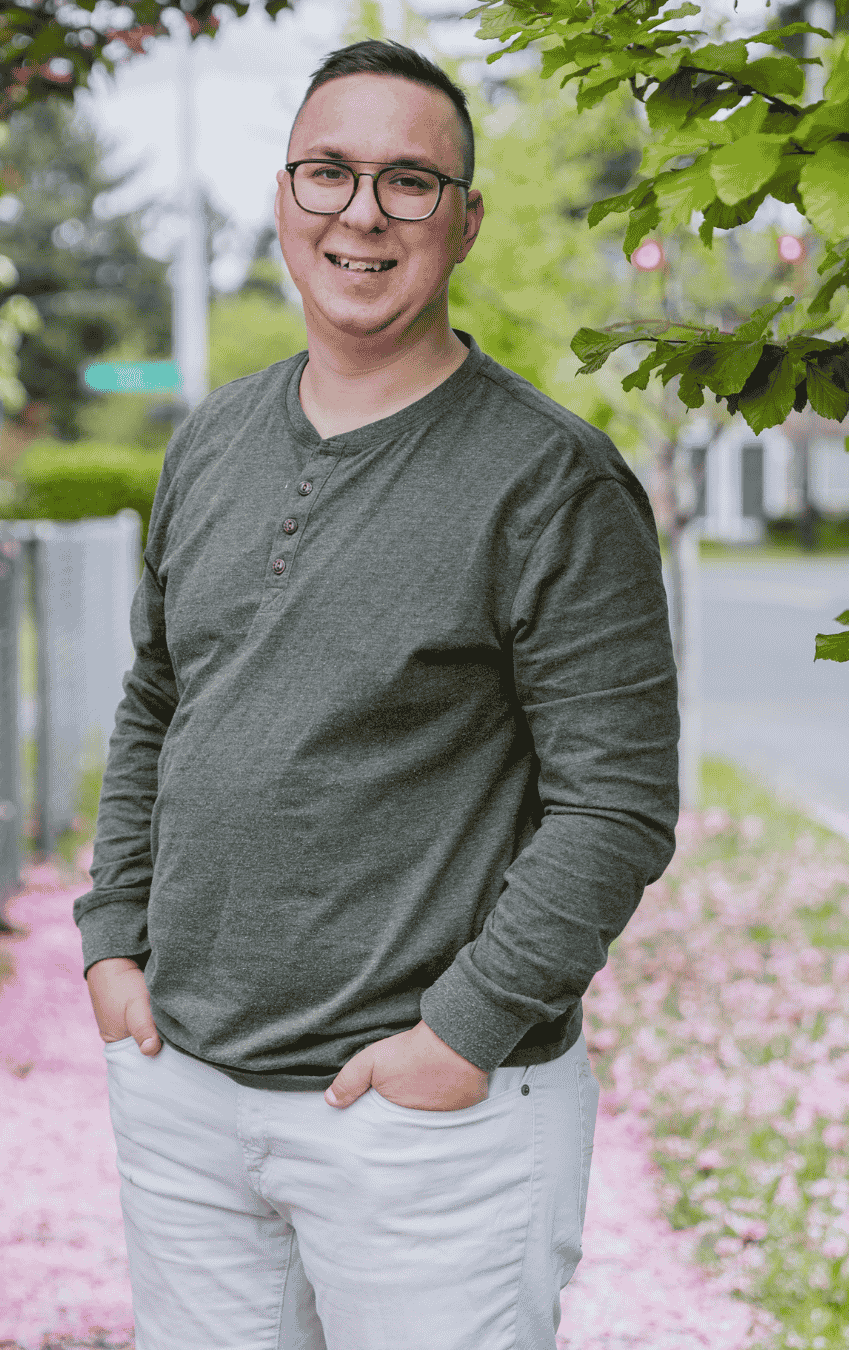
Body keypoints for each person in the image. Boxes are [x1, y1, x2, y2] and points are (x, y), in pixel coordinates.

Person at [74, 38, 680, 1350]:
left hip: (422, 1122)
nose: (363, 211)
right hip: (186, 1091)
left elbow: (616, 806)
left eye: (410, 181)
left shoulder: (552, 481)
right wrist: (113, 934)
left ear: (465, 220)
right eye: (330, 172)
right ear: (284, 195)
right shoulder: (211, 441)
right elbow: (157, 701)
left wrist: (458, 1036)